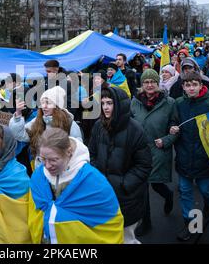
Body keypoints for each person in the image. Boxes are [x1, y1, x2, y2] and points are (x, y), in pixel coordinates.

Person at [29, 128, 124, 244]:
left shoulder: (92, 180)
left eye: (53, 160)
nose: (47, 166)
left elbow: (111, 221)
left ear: (69, 152)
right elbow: (34, 212)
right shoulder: (39, 176)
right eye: (43, 159)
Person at [88, 87, 152, 244]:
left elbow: (144, 165)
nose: (105, 107)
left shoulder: (135, 129)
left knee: (127, 238)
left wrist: (123, 184)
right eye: (102, 103)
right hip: (103, 194)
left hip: (127, 198)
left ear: (119, 104)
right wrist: (99, 179)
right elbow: (92, 154)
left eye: (109, 103)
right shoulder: (98, 126)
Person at [169, 71, 209, 241]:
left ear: (200, 85)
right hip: (184, 155)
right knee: (185, 191)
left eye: (194, 84)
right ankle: (191, 224)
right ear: (183, 87)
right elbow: (173, 121)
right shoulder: (178, 103)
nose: (191, 88)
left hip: (204, 158)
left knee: (206, 191)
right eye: (187, 85)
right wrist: (173, 127)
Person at [130, 69, 178, 236]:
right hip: (139, 151)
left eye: (152, 82)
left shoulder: (170, 102)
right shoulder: (134, 102)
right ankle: (146, 221)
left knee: (156, 184)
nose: (149, 85)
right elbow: (129, 123)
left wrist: (165, 141)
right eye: (146, 82)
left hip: (158, 149)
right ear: (141, 85)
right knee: (142, 187)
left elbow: (176, 128)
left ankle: (168, 195)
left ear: (158, 84)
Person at [9, 86, 83, 170]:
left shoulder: (69, 124)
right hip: (41, 171)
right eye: (42, 103)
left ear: (57, 105)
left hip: (62, 172)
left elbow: (77, 151)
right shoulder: (37, 121)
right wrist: (18, 114)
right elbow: (20, 135)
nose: (44, 106)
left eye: (48, 103)